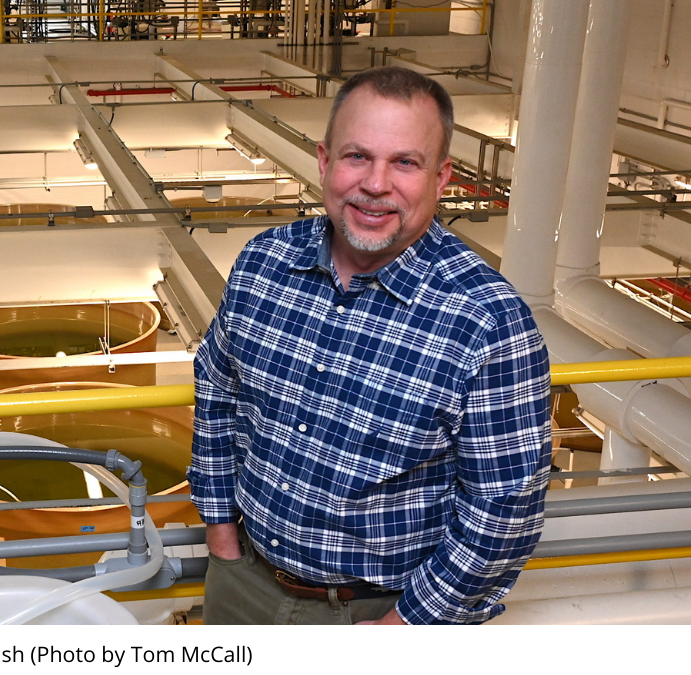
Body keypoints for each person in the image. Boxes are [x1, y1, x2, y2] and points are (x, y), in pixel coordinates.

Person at [188, 66, 551, 625]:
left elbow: (503, 510)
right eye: (357, 156)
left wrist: (403, 626)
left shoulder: (487, 323)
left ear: (441, 178)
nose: (376, 184)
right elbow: (217, 389)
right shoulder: (264, 263)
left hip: (382, 612)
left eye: (405, 162)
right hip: (243, 584)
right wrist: (221, 536)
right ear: (324, 161)